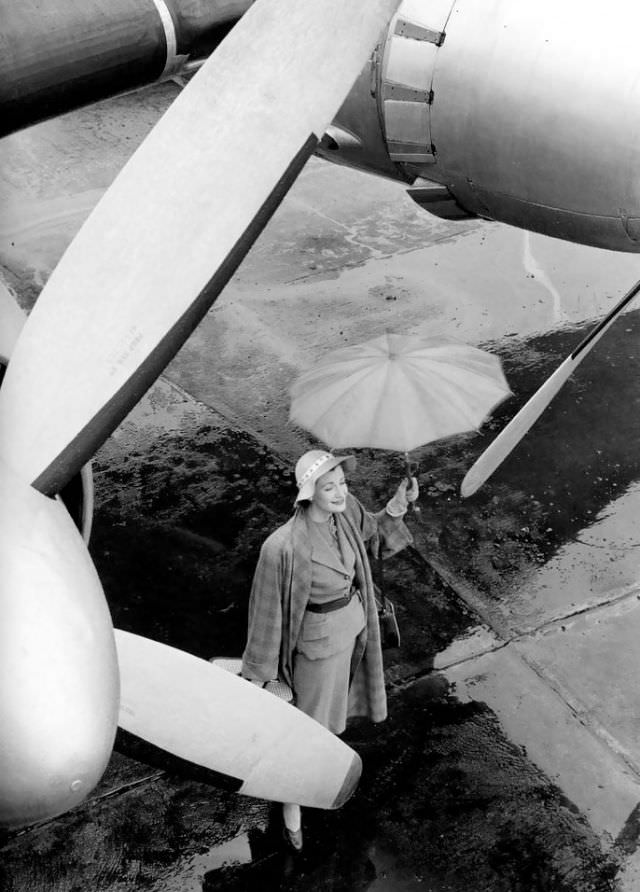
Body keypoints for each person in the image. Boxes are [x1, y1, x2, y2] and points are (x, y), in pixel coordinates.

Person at [240, 449, 419, 851]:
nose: (340, 492)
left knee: (334, 719)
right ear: (308, 493)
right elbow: (267, 616)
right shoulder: (282, 547)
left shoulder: (348, 512)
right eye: (329, 486)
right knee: (306, 732)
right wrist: (259, 677)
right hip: (317, 652)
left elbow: (375, 537)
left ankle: (310, 778)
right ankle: (292, 803)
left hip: (356, 633)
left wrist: (399, 501)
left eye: (342, 483)